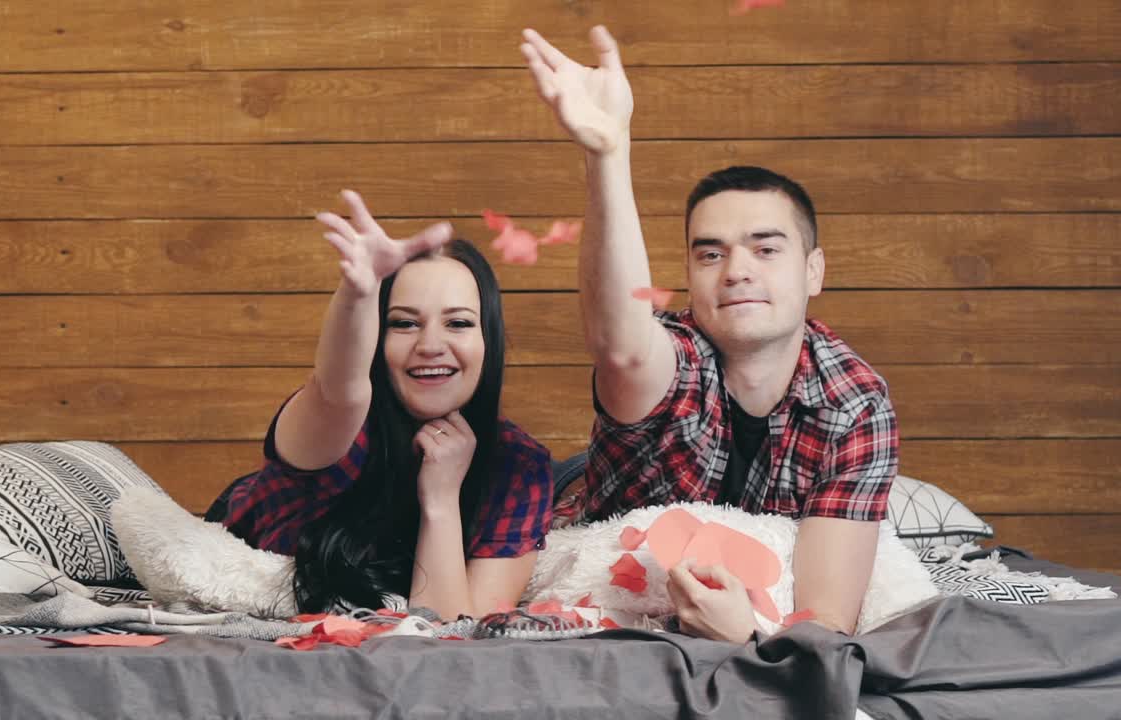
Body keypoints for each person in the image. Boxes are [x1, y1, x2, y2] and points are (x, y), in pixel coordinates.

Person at [520, 27, 899, 640]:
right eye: (711, 254)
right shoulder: (678, 357)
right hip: (594, 493)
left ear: (814, 271)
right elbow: (621, 346)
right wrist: (607, 153)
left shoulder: (854, 401)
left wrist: (746, 637)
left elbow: (827, 624)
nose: (739, 269)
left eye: (765, 248)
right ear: (691, 279)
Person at [222, 191, 555, 620]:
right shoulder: (339, 426)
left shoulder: (518, 463)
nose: (431, 346)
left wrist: (440, 496)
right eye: (403, 323)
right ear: (378, 337)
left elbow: (454, 630)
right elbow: (338, 389)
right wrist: (357, 295)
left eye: (458, 323)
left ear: (487, 340)